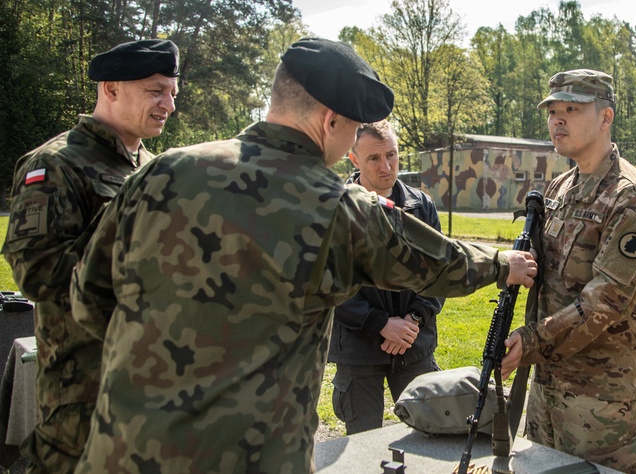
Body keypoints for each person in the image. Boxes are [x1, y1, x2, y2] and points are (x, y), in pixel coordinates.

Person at [68, 38, 537, 474]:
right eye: (352, 130)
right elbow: (435, 264)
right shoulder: (334, 205)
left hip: (124, 449)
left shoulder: (166, 169)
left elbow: (87, 297)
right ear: (331, 120)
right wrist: (502, 265)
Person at [2, 39, 179, 474]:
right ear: (112, 88)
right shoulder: (56, 164)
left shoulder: (151, 167)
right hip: (85, 402)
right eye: (156, 90)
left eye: (173, 91)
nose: (169, 104)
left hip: (155, 392)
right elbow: (38, 275)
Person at [500, 69, 636, 474]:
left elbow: (606, 302)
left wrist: (530, 343)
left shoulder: (632, 197)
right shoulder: (559, 188)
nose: (557, 120)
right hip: (549, 392)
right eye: (553, 111)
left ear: (605, 117)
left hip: (603, 404)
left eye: (572, 109)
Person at [329, 119, 445, 434]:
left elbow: (440, 273)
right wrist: (380, 324)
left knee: (431, 436)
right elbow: (328, 283)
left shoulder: (421, 206)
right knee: (362, 442)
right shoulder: (334, 209)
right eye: (374, 158)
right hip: (359, 348)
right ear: (353, 158)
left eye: (392, 155)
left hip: (413, 343)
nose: (386, 166)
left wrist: (414, 319)